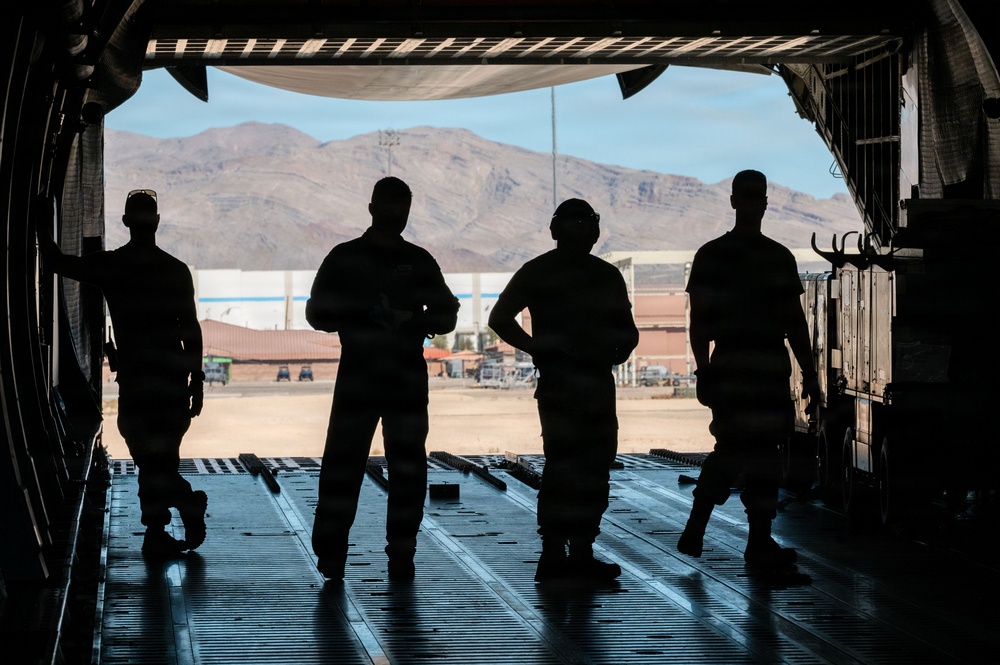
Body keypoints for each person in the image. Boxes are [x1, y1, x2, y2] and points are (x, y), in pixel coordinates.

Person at [36, 189, 208, 557]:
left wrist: (38, 222)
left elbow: (55, 262)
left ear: (126, 222)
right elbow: (190, 330)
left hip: (137, 380)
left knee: (147, 456)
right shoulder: (176, 271)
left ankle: (165, 523)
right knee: (163, 457)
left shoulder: (112, 266)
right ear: (157, 222)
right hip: (173, 380)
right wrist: (197, 381)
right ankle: (168, 520)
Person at [307, 177, 459, 582]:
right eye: (393, 206)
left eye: (401, 206)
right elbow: (316, 313)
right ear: (375, 209)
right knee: (391, 466)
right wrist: (383, 317)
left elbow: (445, 313)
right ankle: (383, 554)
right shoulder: (380, 258)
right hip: (391, 377)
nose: (397, 214)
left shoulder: (352, 257)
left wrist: (402, 319)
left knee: (357, 464)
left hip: (374, 375)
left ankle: (349, 554)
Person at [489, 198, 639, 582]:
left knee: (570, 468)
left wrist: (537, 347)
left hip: (566, 384)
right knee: (584, 468)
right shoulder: (603, 275)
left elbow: (500, 318)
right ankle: (571, 552)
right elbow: (628, 332)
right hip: (586, 384)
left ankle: (563, 552)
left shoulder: (540, 272)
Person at [677, 170, 820, 569]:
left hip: (732, 367)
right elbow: (795, 323)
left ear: (735, 201)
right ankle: (756, 542)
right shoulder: (777, 257)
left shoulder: (711, 255)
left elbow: (700, 322)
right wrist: (809, 375)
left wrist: (704, 369)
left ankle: (699, 526)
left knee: (733, 450)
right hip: (767, 369)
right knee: (762, 456)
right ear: (761, 203)